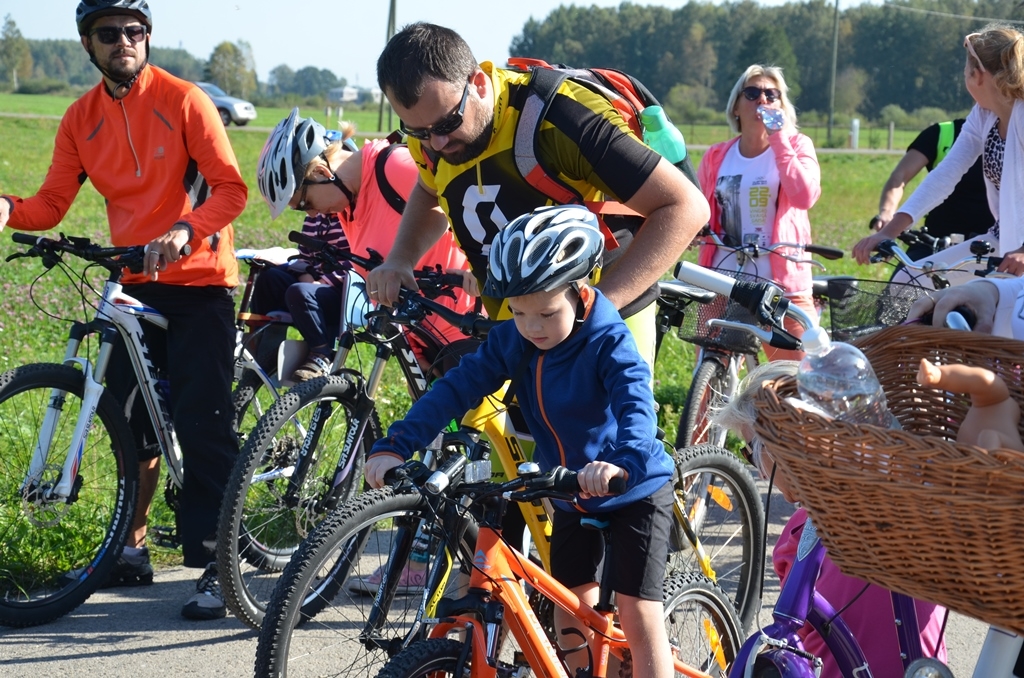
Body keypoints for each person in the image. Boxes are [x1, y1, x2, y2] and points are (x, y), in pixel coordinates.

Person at [0, 0, 246, 620]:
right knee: (128, 422)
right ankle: (130, 548)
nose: (123, 42)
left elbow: (230, 188)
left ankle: (218, 566)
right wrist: (7, 209)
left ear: (148, 37)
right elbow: (53, 201)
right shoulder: (80, 117)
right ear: (88, 44)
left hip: (197, 282)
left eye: (133, 31)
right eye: (108, 34)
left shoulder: (186, 100)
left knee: (201, 421)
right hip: (132, 280)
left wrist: (187, 231)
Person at [364, 206, 676, 678]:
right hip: (571, 494)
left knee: (635, 610)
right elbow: (456, 388)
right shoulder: (516, 339)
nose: (532, 326)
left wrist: (622, 462)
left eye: (547, 312)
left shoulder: (608, 339)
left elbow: (636, 403)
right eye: (519, 311)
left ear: (581, 289)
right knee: (569, 608)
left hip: (631, 488)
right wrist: (397, 444)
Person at [367, 22, 709, 366]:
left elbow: (685, 207)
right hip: (519, 324)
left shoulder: (563, 116)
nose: (436, 143)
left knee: (611, 420)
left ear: (479, 83)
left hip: (606, 311)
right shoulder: (430, 132)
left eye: (446, 124)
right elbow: (430, 190)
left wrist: (596, 311)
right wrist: (400, 258)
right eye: (417, 130)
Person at [712, 362, 949, 678]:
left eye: (752, 451)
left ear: (786, 442)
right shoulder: (911, 505)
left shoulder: (796, 541)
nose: (759, 471)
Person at [254, 109, 477, 382]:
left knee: (486, 420)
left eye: (305, 204)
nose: (311, 215)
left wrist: (481, 268)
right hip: (422, 334)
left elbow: (466, 208)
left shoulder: (394, 167)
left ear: (323, 172)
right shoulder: (348, 206)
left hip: (464, 326)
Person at [854, 24, 1024, 279]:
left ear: (978, 75)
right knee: (910, 280)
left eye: (965, 70)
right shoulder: (983, 115)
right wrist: (889, 231)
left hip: (1019, 251)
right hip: (1004, 241)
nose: (964, 76)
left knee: (996, 315)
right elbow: (945, 174)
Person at [697, 64, 821, 362]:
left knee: (799, 380)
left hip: (782, 286)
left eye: (771, 94)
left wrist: (778, 138)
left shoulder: (797, 145)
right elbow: (700, 210)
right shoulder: (717, 156)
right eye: (752, 93)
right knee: (709, 375)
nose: (762, 100)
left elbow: (804, 196)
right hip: (722, 280)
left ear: (782, 105)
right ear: (736, 107)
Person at [870, 119, 994, 260]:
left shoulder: (1014, 134)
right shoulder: (943, 132)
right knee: (903, 280)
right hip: (935, 242)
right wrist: (887, 214)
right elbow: (900, 177)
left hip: (996, 246)